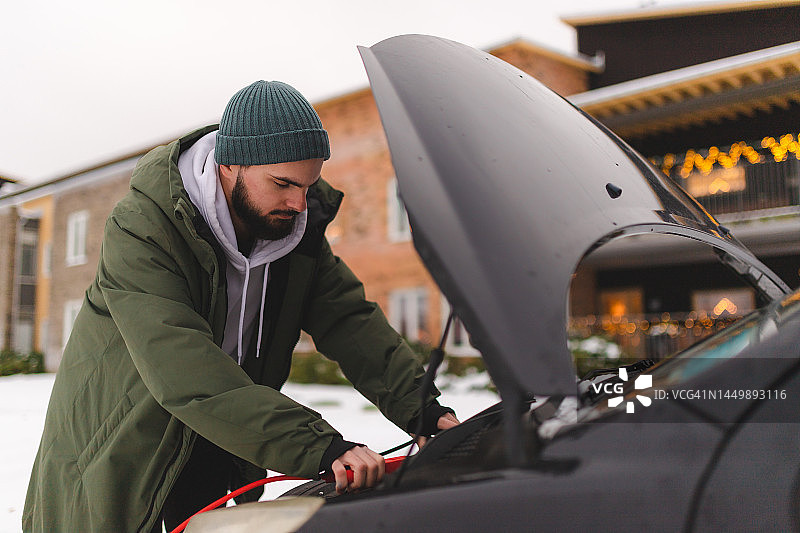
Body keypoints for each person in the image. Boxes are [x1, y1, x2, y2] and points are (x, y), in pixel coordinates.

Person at [23, 80, 458, 532]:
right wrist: (320, 447)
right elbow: (184, 368)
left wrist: (423, 409)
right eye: (283, 184)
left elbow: (350, 322)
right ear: (229, 165)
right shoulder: (145, 228)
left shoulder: (293, 234)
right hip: (121, 461)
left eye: (308, 186)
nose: (298, 203)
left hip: (220, 446)